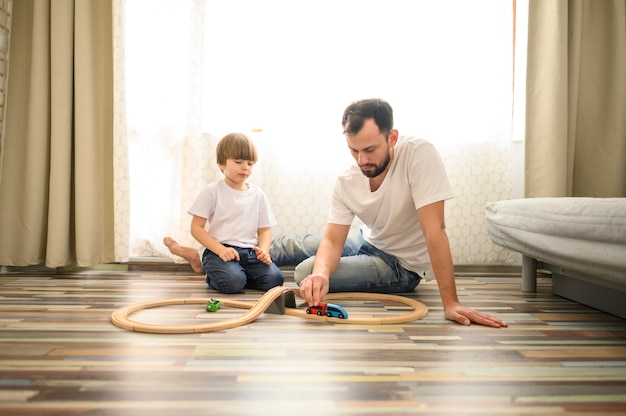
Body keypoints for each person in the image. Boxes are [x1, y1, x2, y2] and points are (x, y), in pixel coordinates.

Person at [166, 99, 507, 328]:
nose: (362, 161)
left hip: (399, 264)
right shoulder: (348, 180)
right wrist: (325, 272)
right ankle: (207, 257)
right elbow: (332, 238)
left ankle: (217, 263)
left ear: (393, 137)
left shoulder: (419, 155)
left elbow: (436, 230)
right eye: (354, 151)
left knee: (304, 273)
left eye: (370, 149)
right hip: (367, 240)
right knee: (283, 247)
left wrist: (451, 302)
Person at [186, 132, 284, 294]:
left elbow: (264, 229)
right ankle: (217, 275)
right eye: (238, 162)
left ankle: (239, 276)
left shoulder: (258, 194)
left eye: (250, 163)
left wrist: (264, 251)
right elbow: (196, 228)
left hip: (249, 252)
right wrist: (220, 250)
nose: (245, 167)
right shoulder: (212, 191)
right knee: (232, 283)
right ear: (221, 164)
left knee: (275, 280)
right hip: (219, 251)